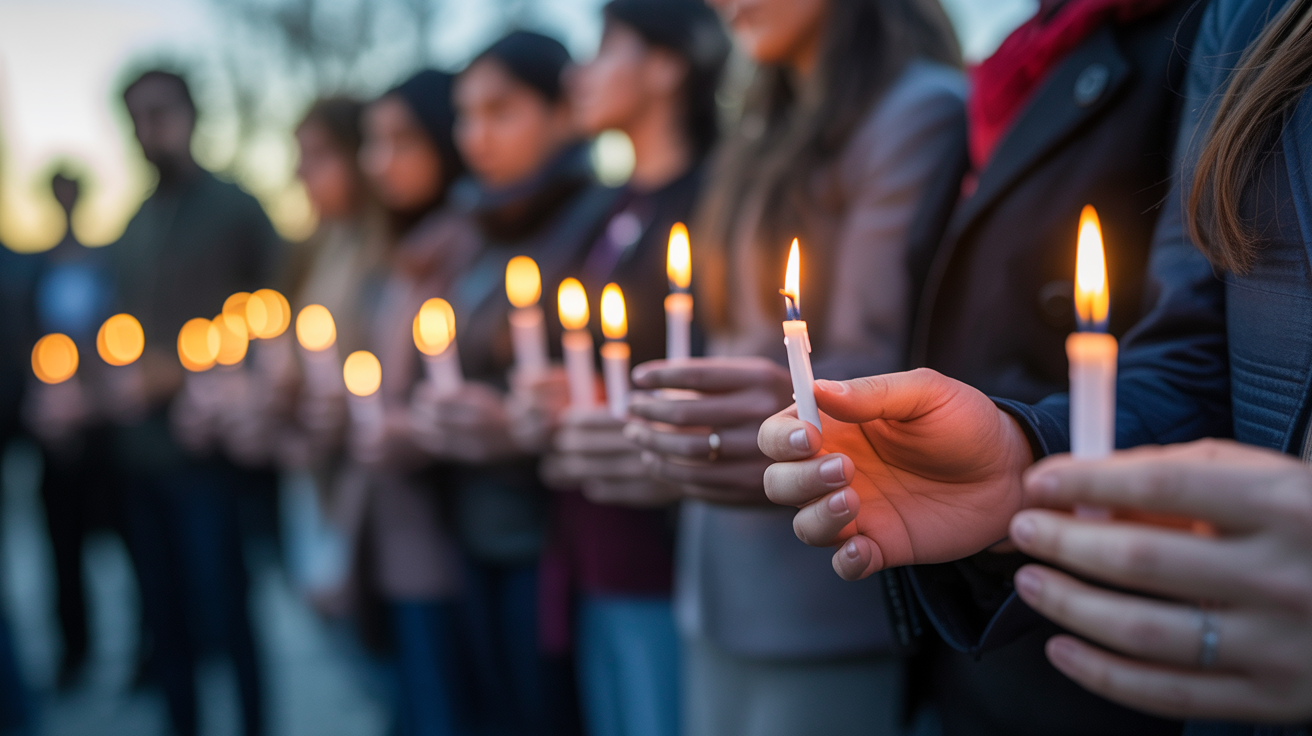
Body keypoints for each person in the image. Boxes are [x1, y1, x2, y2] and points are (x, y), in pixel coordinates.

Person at [758, 0, 1312, 730]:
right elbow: (1195, 349)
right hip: (1202, 665)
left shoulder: (1180, 30)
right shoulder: (1249, 19)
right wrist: (1026, 455)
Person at [612, 0, 966, 733]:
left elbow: (881, 358)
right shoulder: (759, 130)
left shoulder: (918, 111)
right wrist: (657, 424)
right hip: (716, 570)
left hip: (825, 573)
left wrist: (730, 416)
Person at [410, 31, 617, 734]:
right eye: (466, 116)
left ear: (563, 112)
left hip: (559, 546)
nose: (476, 137)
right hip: (476, 531)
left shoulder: (598, 222)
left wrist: (514, 421)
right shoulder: (477, 234)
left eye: (502, 111)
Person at [542, 2, 729, 735]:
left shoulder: (716, 200)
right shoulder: (606, 208)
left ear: (667, 63)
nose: (578, 72)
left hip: (666, 552)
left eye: (607, 46)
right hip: (588, 539)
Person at [109, 68, 280, 736]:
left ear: (190, 114)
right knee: (163, 617)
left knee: (229, 611)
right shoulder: (133, 225)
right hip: (139, 458)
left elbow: (275, 319)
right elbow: (116, 336)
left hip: (209, 455)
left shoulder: (235, 209)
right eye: (136, 117)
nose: (148, 130)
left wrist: (184, 376)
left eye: (160, 112)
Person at [350, 70, 479, 736]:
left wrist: (420, 427)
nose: (380, 161)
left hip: (451, 541)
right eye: (373, 143)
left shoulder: (466, 246)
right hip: (392, 535)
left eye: (402, 140)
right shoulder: (392, 255)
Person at [25, 168, 119, 691]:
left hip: (103, 430)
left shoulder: (105, 263)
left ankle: (147, 648)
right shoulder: (35, 270)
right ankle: (75, 650)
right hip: (54, 438)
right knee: (62, 553)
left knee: (125, 543)